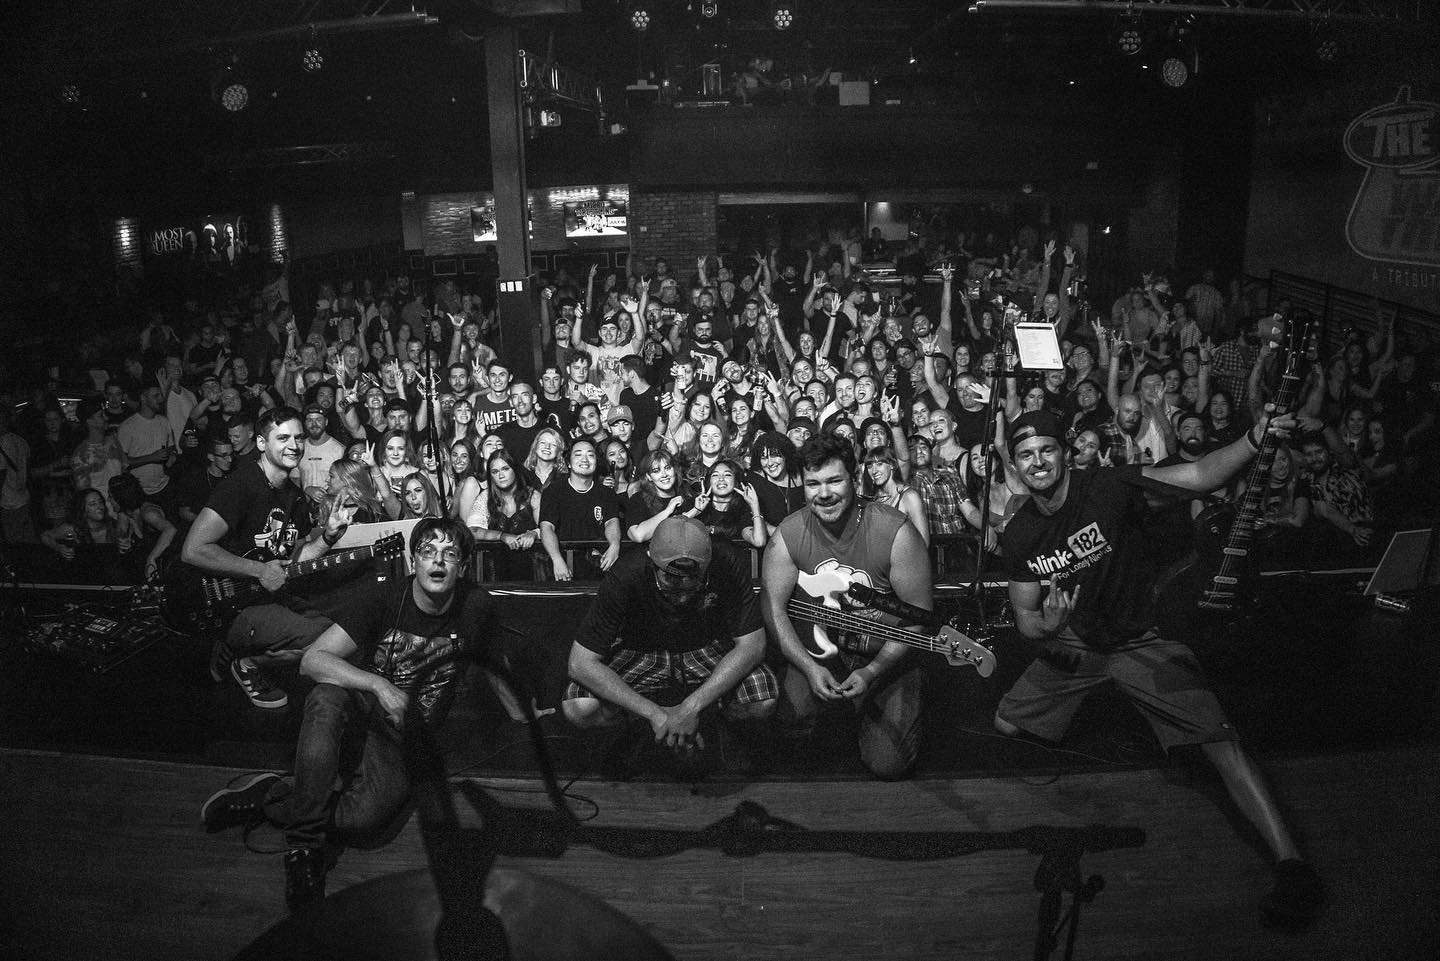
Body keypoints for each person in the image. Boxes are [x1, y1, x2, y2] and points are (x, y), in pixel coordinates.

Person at [995, 408, 1324, 926]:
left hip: (1137, 639)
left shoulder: (1106, 486)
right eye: (1025, 455)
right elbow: (1027, 624)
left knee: (1222, 743)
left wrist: (1251, 439)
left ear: (1065, 451)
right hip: (1078, 641)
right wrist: (1052, 627)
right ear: (1013, 465)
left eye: (1047, 449)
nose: (1038, 462)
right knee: (1006, 722)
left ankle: (1292, 864)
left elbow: (1196, 477)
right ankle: (1102, 702)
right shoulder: (1019, 535)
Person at [199, 518, 500, 912]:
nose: (437, 561)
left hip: (402, 740)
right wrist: (378, 685)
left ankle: (271, 797)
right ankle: (304, 850)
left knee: (365, 821)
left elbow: (499, 661)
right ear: (414, 560)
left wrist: (529, 712)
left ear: (462, 566)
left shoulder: (477, 606)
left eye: (449, 554)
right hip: (361, 711)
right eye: (428, 551)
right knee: (326, 694)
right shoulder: (384, 598)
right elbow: (312, 660)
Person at [761, 434, 932, 780]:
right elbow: (774, 609)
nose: (823, 493)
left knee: (889, 764)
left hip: (886, 654)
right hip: (825, 652)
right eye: (813, 484)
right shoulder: (788, 534)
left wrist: (873, 671)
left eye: (834, 480)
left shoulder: (895, 531)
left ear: (855, 480)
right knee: (790, 725)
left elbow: (919, 616)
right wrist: (808, 667)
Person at [563, 515, 776, 771]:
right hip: (642, 649)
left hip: (705, 646)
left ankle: (719, 727)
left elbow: (753, 645)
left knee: (763, 698)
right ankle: (635, 732)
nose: (684, 589)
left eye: (693, 579)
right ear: (651, 561)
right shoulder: (626, 572)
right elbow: (580, 663)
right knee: (578, 706)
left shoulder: (728, 561)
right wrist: (656, 715)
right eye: (671, 580)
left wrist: (691, 708)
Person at [180, 407, 356, 710]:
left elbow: (294, 557)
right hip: (230, 604)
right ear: (262, 443)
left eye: (299, 438)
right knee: (324, 640)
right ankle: (246, 663)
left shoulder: (293, 495)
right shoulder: (241, 485)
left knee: (344, 630)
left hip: (267, 598)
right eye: (283, 437)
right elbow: (193, 549)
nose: (294, 445)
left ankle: (236, 651)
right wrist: (259, 570)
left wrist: (328, 537)